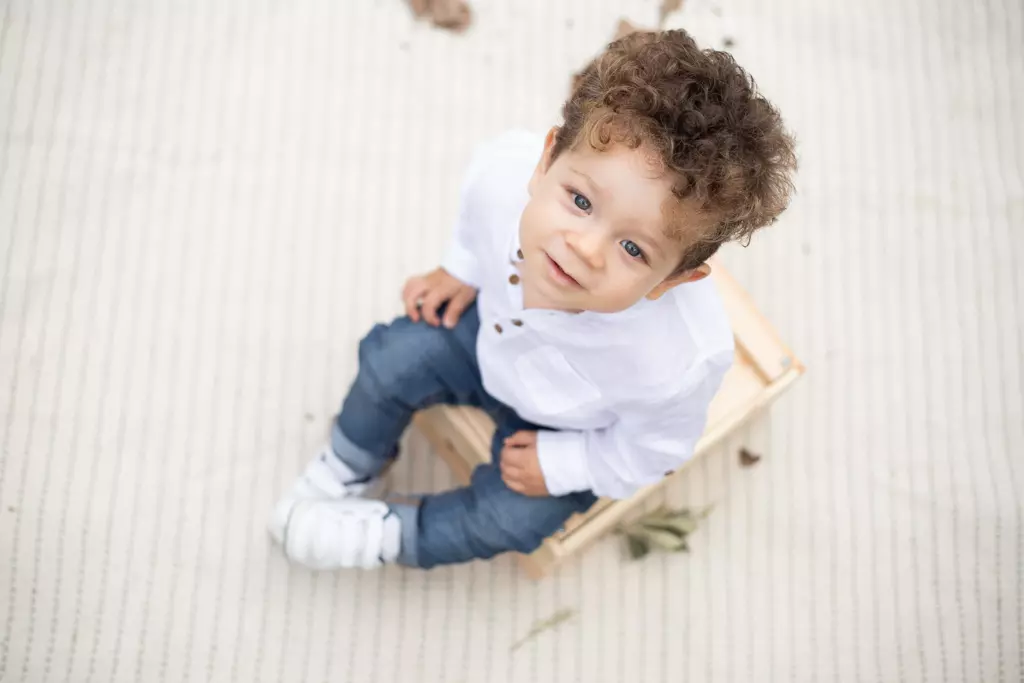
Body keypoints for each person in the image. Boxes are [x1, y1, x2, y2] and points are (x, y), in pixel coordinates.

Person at [267, 29, 796, 570]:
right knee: (390, 359)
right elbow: (477, 206)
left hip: (569, 427)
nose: (585, 249)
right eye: (581, 201)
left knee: (510, 520)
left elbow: (652, 451)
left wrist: (570, 462)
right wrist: (462, 266)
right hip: (487, 333)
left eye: (634, 249)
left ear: (674, 280)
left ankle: (392, 534)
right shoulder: (503, 174)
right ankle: (351, 462)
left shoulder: (674, 364)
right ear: (545, 163)